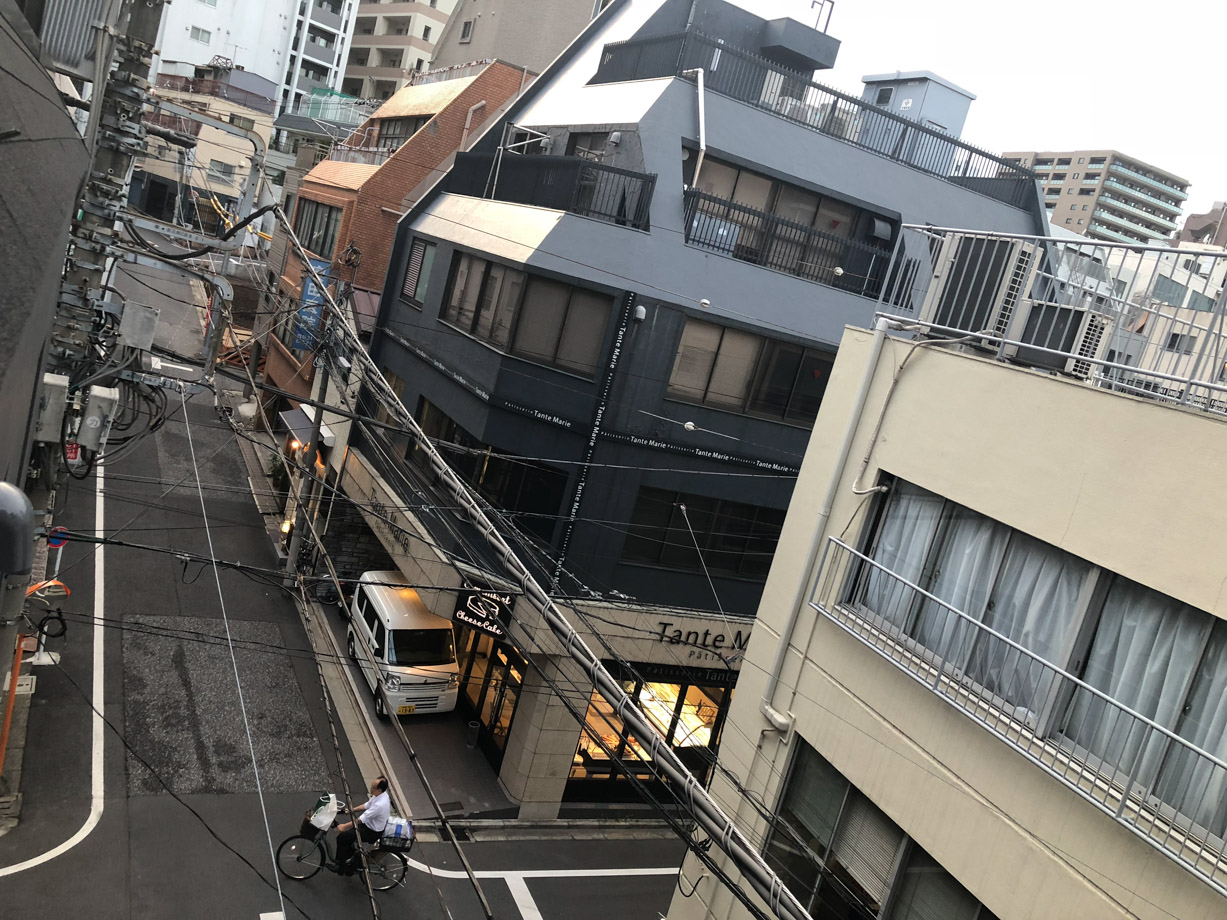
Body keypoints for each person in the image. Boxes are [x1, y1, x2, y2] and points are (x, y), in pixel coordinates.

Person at [335, 776, 391, 874]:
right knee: (349, 838)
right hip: (370, 825)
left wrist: (344, 826)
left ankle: (341, 866)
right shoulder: (381, 795)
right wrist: (352, 810)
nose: (370, 787)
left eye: (373, 786)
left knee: (342, 838)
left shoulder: (380, 805)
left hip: (371, 831)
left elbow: (361, 819)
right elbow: (367, 805)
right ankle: (349, 860)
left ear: (379, 790)